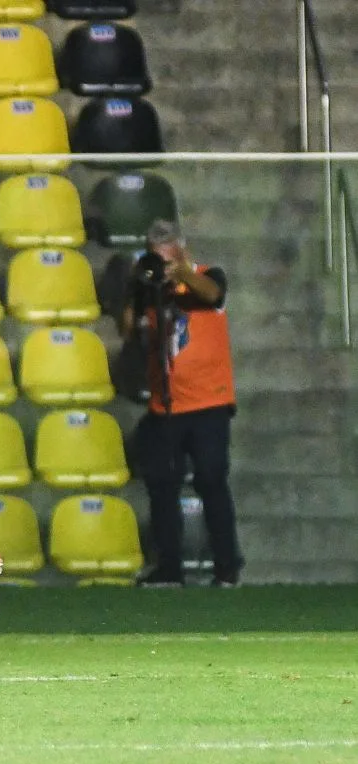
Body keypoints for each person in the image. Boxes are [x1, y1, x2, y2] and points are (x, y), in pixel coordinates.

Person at [122, 220, 242, 587]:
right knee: (161, 486)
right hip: (165, 407)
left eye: (167, 252)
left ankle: (227, 567)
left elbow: (211, 294)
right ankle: (169, 567)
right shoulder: (150, 290)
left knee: (211, 481)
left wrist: (183, 273)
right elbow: (128, 329)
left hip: (209, 403)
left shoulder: (208, 276)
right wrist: (140, 290)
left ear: (182, 249)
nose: (161, 261)